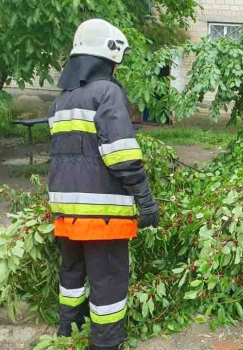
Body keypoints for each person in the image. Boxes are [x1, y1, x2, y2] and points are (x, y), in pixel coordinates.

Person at [47, 19, 159, 350]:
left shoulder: (61, 101)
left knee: (72, 273)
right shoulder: (107, 93)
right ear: (106, 59)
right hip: (102, 215)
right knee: (108, 283)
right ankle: (106, 343)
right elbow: (121, 155)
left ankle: (69, 331)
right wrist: (147, 200)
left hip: (66, 211)